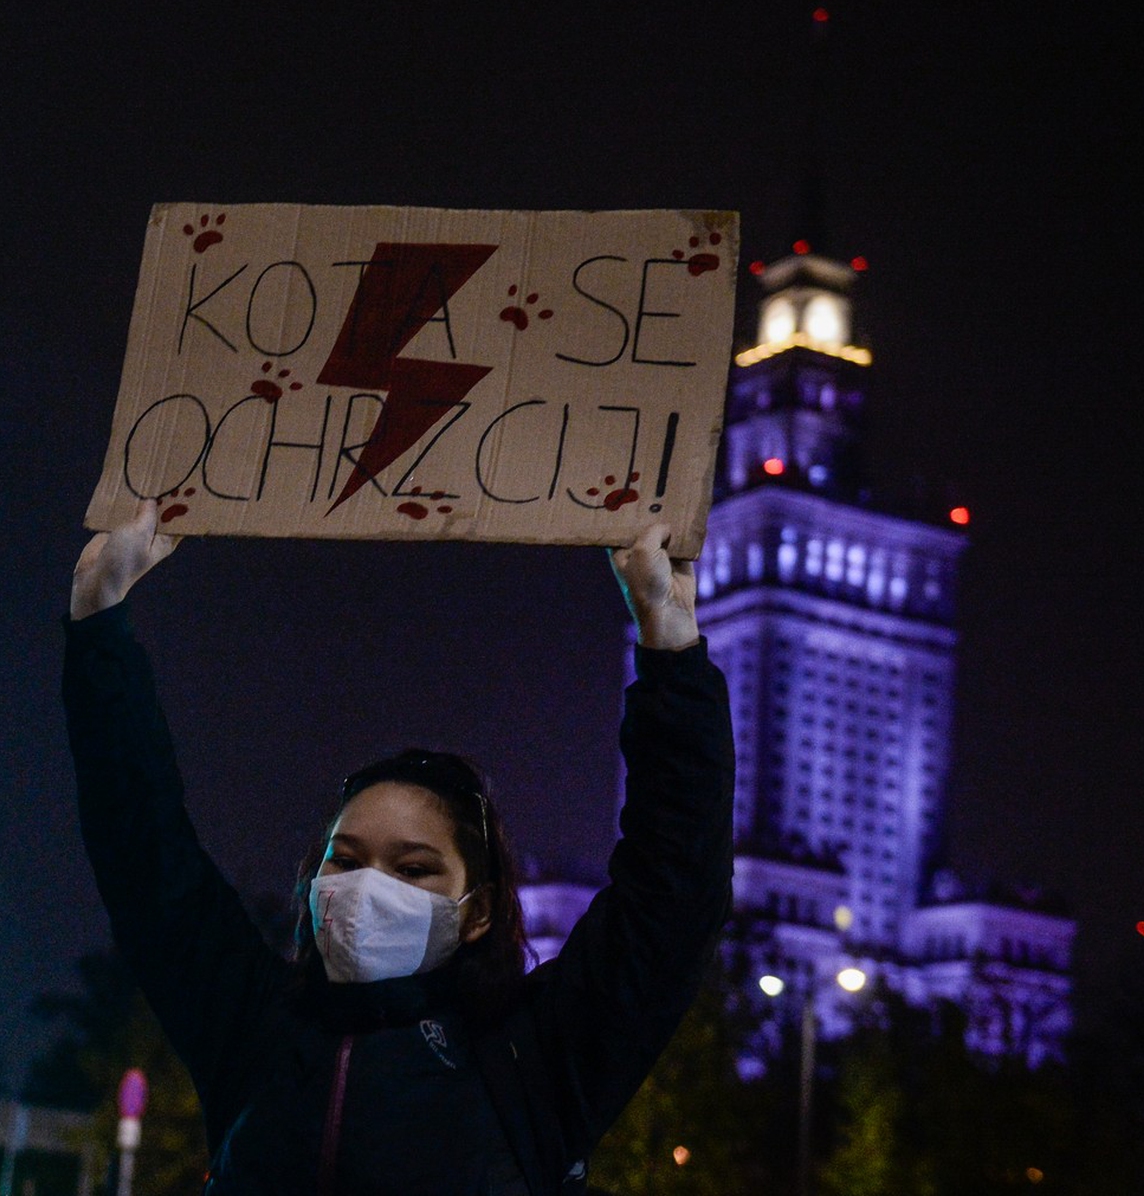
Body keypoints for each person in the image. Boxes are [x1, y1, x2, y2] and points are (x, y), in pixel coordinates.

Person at [63, 501, 734, 1195]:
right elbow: (139, 841)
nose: (367, 888)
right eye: (345, 861)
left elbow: (673, 892)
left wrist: (670, 647)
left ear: (478, 910)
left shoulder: (532, 1057)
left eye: (414, 869)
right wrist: (97, 619)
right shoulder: (254, 1028)